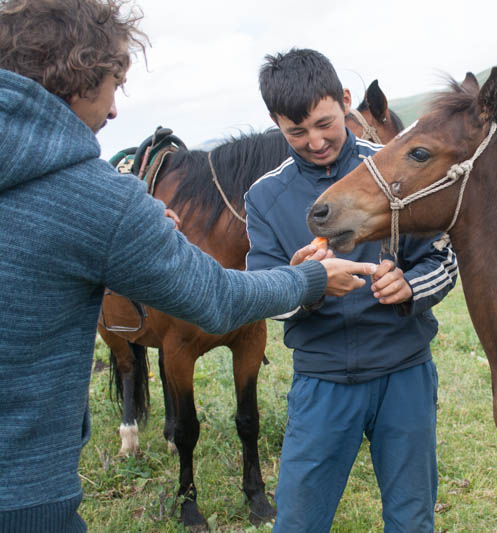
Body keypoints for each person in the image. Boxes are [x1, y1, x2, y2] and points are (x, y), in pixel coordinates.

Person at [0, 3, 377, 532]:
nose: (113, 112)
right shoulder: (94, 199)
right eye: (113, 84)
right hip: (24, 495)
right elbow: (216, 299)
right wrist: (313, 277)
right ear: (77, 78)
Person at [245, 48, 458, 532]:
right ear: (275, 123)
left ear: (344, 100)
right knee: (298, 522)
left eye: (324, 123)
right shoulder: (264, 197)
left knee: (412, 519)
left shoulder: (396, 170)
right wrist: (305, 283)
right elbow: (263, 294)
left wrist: (408, 285)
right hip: (322, 382)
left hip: (403, 373)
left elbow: (443, 260)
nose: (315, 141)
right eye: (296, 132)